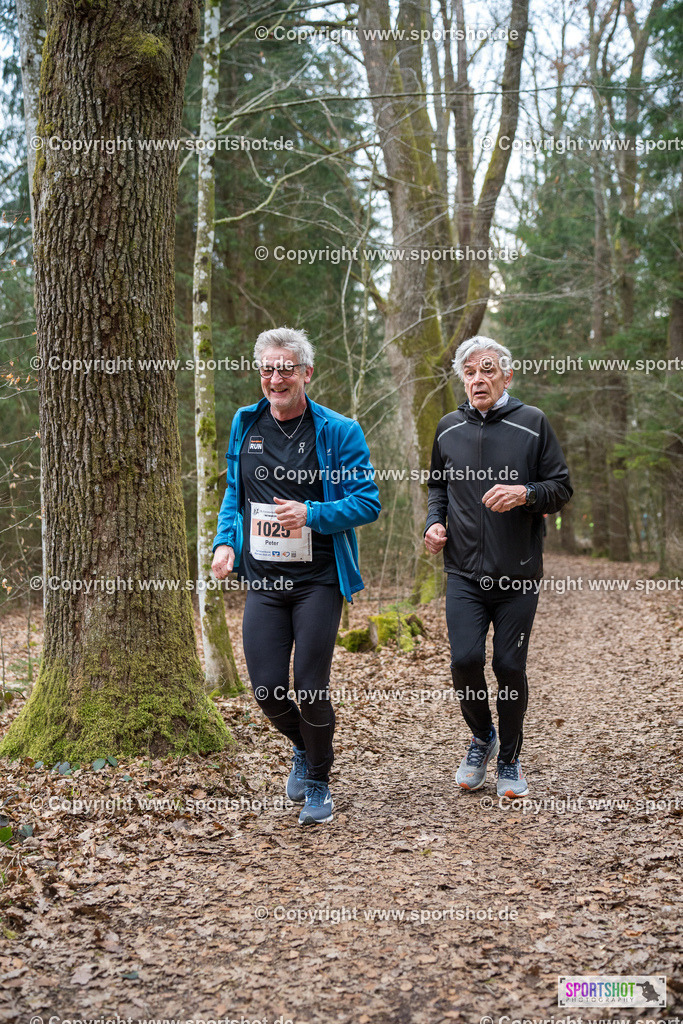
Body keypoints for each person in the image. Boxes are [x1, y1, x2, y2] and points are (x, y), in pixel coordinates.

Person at [212, 327, 380, 825]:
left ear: (306, 373)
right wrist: (225, 541)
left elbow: (367, 503)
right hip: (263, 580)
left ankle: (319, 783)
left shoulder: (338, 431)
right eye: (268, 368)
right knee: (265, 689)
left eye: (286, 368)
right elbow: (232, 493)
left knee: (309, 685)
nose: (276, 377)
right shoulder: (246, 423)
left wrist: (311, 514)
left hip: (318, 580)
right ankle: (304, 749)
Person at [424, 336, 572, 798]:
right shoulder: (448, 428)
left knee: (509, 666)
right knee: (465, 660)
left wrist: (525, 494)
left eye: (487, 369)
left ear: (507, 375)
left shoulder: (533, 423)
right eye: (469, 372)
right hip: (464, 572)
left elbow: (561, 487)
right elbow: (437, 487)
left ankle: (509, 757)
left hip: (518, 573)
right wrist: (434, 524)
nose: (478, 379)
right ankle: (481, 737)